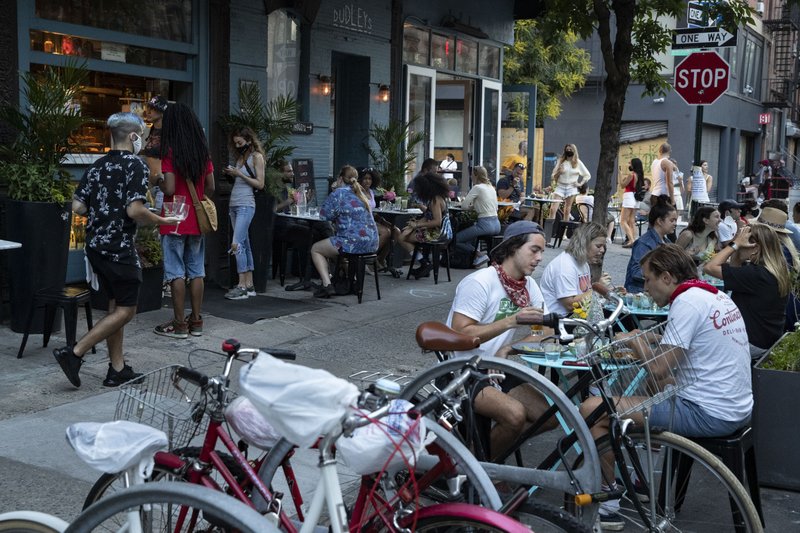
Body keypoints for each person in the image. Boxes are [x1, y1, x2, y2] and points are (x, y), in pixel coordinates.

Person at [582, 244, 752, 530]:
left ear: (667, 277)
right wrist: (651, 339)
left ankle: (608, 504)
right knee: (654, 385)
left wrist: (635, 341)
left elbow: (659, 366)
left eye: (648, 279)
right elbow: (689, 344)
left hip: (709, 412)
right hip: (735, 406)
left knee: (593, 409)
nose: (645, 288)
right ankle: (637, 477)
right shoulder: (711, 294)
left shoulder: (686, 302)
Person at [54, 112, 178, 388]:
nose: (141, 141)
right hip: (119, 248)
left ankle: (117, 369)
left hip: (95, 246)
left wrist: (103, 209)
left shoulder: (97, 165)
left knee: (115, 305)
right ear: (133, 136)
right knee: (127, 310)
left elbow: (78, 206)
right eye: (141, 136)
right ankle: (74, 353)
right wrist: (162, 220)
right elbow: (135, 210)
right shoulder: (136, 165)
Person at [446, 220, 556, 459]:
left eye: (542, 252)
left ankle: (480, 458)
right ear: (513, 247)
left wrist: (508, 348)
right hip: (461, 370)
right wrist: (510, 321)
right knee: (514, 415)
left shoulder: (528, 286)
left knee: (548, 416)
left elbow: (546, 330)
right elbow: (460, 334)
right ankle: (475, 467)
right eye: (534, 250)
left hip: (494, 368)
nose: (539, 258)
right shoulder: (480, 281)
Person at [153, 103, 215, 339]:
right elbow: (211, 186)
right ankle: (196, 321)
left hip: (173, 217)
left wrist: (157, 181)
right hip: (196, 219)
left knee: (175, 271)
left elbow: (169, 187)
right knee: (196, 270)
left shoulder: (169, 151)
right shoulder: (202, 151)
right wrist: (197, 198)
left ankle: (179, 324)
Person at [704, 223, 792, 360]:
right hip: (766, 339)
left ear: (755, 248)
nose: (738, 246)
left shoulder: (756, 275)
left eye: (742, 243)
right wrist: (738, 251)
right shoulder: (774, 271)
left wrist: (734, 245)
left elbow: (709, 267)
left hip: (752, 343)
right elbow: (735, 271)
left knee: (701, 343)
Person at [310, 165, 379, 298]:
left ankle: (327, 285)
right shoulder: (362, 193)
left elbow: (324, 215)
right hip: (372, 242)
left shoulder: (339, 193)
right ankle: (351, 282)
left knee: (316, 249)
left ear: (340, 179)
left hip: (351, 242)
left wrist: (335, 190)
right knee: (337, 248)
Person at [274, 161, 333, 291]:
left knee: (323, 225)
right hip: (281, 226)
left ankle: (329, 268)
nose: (292, 174)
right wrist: (289, 201)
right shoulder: (274, 189)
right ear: (279, 173)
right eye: (289, 171)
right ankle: (313, 274)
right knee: (310, 234)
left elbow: (292, 210)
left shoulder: (287, 188)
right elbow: (273, 209)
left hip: (292, 221)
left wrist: (305, 200)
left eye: (292, 171)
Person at [221, 127, 265, 300]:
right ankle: (249, 285)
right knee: (243, 243)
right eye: (235, 143)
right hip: (234, 203)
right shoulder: (240, 158)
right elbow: (239, 180)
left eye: (240, 143)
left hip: (246, 204)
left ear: (249, 140)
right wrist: (232, 174)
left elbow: (260, 184)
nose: (238, 146)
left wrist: (239, 173)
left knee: (236, 244)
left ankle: (241, 286)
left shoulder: (257, 157)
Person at [540, 222, 609, 317]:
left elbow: (585, 294)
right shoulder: (565, 266)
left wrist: (608, 291)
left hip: (578, 316)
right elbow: (570, 305)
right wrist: (598, 290)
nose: (602, 250)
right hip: (561, 320)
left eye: (603, 246)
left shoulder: (583, 262)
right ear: (584, 243)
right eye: (598, 246)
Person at [399, 172, 453, 279]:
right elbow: (430, 214)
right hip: (438, 232)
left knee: (402, 238)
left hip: (436, 234)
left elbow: (437, 221)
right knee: (404, 235)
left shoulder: (435, 201)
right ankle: (424, 263)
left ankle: (424, 263)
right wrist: (421, 209)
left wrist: (416, 225)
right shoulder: (438, 198)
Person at [624, 200, 678, 294]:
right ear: (659, 221)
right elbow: (636, 272)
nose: (675, 224)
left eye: (676, 220)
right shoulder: (644, 243)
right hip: (638, 293)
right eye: (672, 220)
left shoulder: (667, 242)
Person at [454, 166, 500, 268]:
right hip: (497, 224)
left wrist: (469, 207)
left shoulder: (477, 188)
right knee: (470, 234)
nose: (471, 177)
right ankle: (476, 257)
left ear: (476, 175)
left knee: (456, 239)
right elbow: (495, 207)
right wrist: (475, 207)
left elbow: (464, 206)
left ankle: (479, 255)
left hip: (485, 225)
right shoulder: (491, 187)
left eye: (472, 175)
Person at [358, 167, 401, 271]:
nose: (367, 181)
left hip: (373, 219)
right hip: (362, 221)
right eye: (365, 179)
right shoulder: (358, 192)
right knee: (386, 232)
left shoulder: (371, 192)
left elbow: (373, 211)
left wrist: (383, 221)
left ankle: (380, 259)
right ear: (360, 180)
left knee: (396, 231)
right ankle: (368, 259)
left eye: (369, 179)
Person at [550, 143, 590, 221]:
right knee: (553, 209)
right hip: (560, 186)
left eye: (570, 150)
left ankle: (565, 227)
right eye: (567, 150)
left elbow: (587, 175)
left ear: (574, 151)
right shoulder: (561, 161)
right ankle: (550, 227)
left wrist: (580, 184)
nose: (568, 151)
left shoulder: (578, 162)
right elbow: (553, 176)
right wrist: (559, 172)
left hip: (571, 187)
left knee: (567, 210)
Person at [143, 95, 168, 187]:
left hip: (162, 182)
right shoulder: (151, 131)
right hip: (150, 183)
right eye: (148, 108)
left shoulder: (168, 133)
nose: (148, 112)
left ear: (162, 112)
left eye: (153, 109)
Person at [619, 158, 643, 248]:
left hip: (629, 196)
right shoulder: (639, 175)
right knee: (631, 221)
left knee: (623, 221)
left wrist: (620, 175)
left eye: (630, 163)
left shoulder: (631, 175)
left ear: (634, 165)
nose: (629, 165)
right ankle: (634, 240)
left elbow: (622, 185)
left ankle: (631, 240)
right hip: (636, 198)